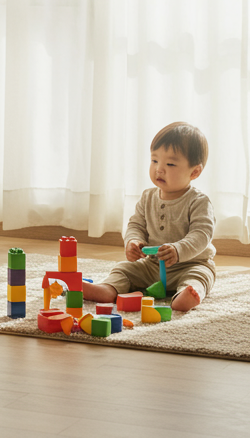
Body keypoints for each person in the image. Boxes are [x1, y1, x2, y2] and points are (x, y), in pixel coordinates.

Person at [81, 122, 216, 313]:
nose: (159, 169)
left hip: (190, 264)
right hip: (152, 266)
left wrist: (178, 250)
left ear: (194, 172)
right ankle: (108, 289)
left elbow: (202, 234)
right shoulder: (147, 197)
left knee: (200, 277)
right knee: (124, 269)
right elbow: (136, 224)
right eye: (154, 161)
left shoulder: (199, 201)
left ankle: (185, 296)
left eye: (170, 164)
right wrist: (133, 241)